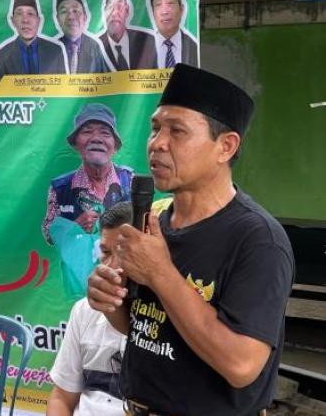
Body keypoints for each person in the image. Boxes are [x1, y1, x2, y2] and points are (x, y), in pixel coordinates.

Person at [87, 64, 294, 416]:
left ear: (225, 146)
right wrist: (110, 301)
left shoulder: (258, 239)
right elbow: (144, 327)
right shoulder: (155, 221)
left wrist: (161, 274)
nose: (157, 143)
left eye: (177, 131)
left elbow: (241, 366)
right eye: (155, 128)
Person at [42, 103, 133, 305]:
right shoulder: (60, 187)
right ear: (76, 143)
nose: (96, 138)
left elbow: (145, 230)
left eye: (105, 133)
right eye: (87, 131)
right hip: (79, 290)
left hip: (124, 286)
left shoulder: (131, 182)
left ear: (115, 146)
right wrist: (75, 226)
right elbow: (48, 233)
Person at [47, 202, 131, 416]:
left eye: (123, 253)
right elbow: (61, 398)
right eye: (105, 252)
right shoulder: (84, 310)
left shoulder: (167, 316)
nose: (112, 266)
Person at [0, 0, 67, 87]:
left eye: (30, 14)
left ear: (39, 20)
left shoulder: (55, 50)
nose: (25, 20)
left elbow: (63, 90)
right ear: (13, 21)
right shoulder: (3, 54)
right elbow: (0, 93)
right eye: (19, 13)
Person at [97, 0, 155, 71]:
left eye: (119, 6)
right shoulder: (94, 48)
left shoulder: (147, 42)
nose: (114, 13)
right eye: (110, 7)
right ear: (104, 12)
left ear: (127, 10)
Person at [53, 0, 111, 74]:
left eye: (75, 11)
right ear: (57, 19)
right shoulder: (51, 49)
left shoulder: (95, 48)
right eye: (64, 11)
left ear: (85, 17)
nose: (71, 17)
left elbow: (107, 80)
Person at [147, 0, 198, 68]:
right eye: (158, 4)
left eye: (170, 3)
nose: (164, 12)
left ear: (181, 9)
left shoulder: (194, 47)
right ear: (153, 13)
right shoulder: (141, 49)